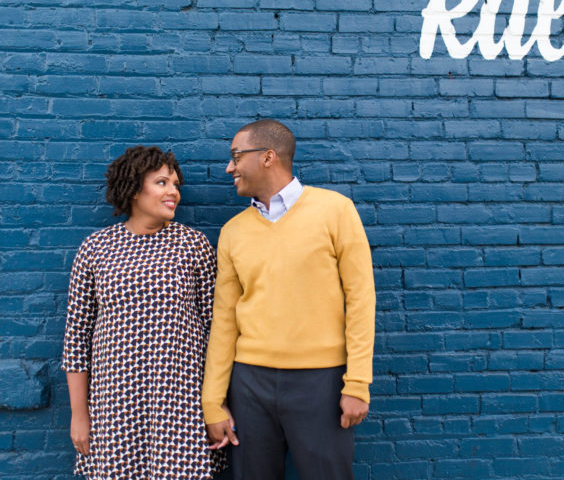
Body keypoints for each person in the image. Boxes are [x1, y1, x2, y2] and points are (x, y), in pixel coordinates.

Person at [202, 119, 375, 480]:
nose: (229, 167)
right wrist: (213, 402)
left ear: (268, 157)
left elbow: (360, 300)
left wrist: (357, 384)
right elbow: (225, 321)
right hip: (249, 385)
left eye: (236, 156)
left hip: (322, 384)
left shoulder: (335, 211)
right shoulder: (232, 232)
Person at [62, 146, 225, 480]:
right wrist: (80, 415)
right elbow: (77, 339)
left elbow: (217, 331)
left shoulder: (193, 246)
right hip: (115, 402)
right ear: (135, 189)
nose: (173, 192)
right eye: (162, 182)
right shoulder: (96, 249)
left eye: (175, 184)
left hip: (181, 401)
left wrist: (216, 405)